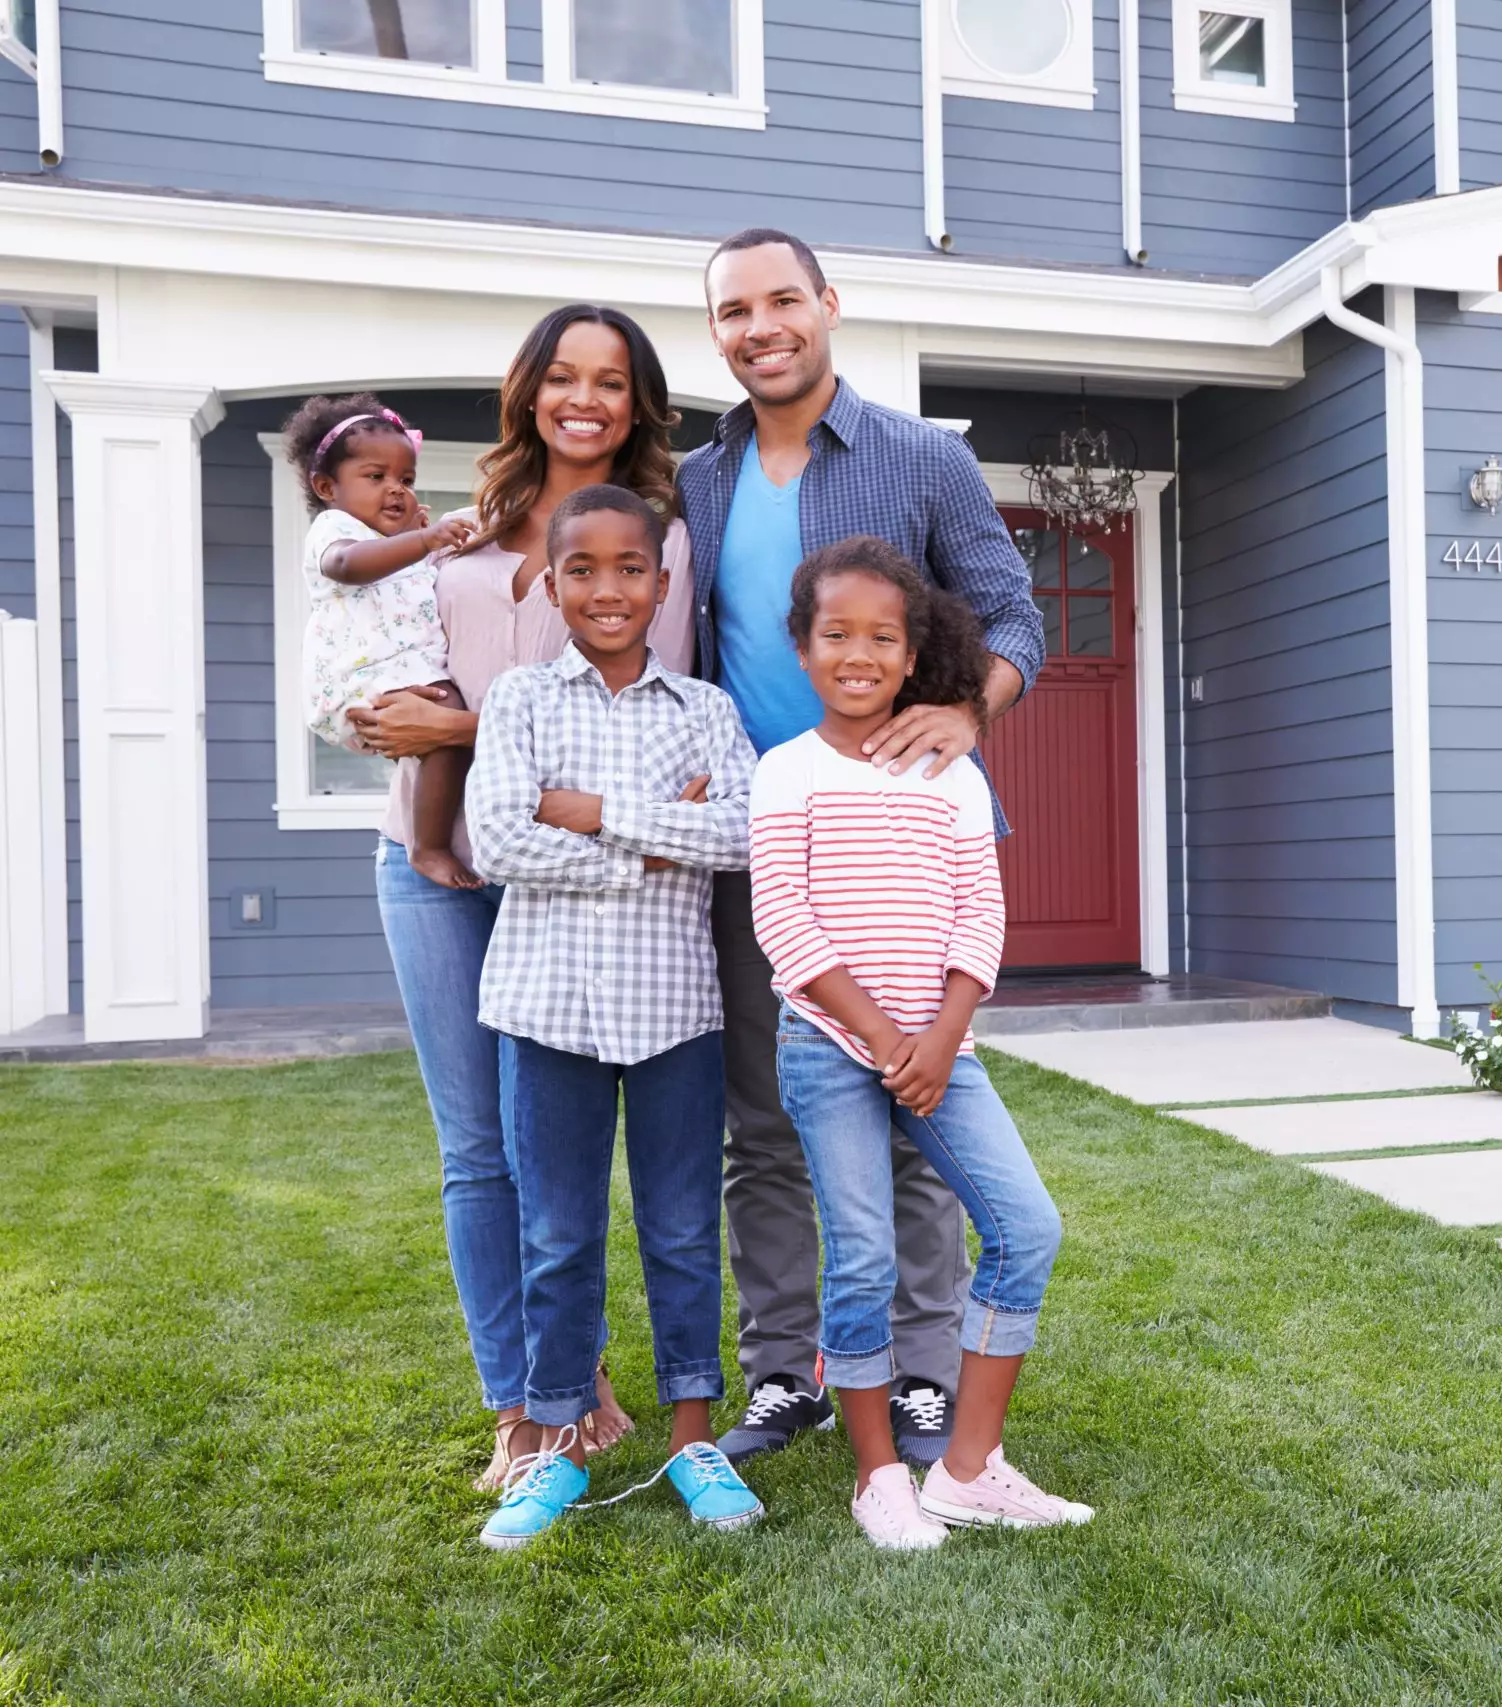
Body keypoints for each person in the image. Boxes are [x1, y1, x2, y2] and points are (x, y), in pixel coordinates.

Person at [678, 227, 1046, 1468]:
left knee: (918, 1113)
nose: (760, 325)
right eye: (734, 310)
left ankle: (925, 1375)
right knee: (767, 1123)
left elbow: (1012, 614)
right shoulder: (697, 479)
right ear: (716, 332)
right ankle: (786, 1373)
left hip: (910, 842)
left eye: (783, 299)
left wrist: (969, 706)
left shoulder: (921, 458)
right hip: (766, 845)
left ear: (828, 305)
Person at [350, 305, 694, 1491]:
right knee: (474, 1150)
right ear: (528, 391)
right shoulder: (453, 530)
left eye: (609, 380)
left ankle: (570, 1370)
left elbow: (646, 731)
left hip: (570, 882)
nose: (583, 398)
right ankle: (526, 1399)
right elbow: (385, 680)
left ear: (638, 402)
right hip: (432, 861)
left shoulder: (662, 543)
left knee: (562, 1149)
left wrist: (457, 723)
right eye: (561, 376)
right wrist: (388, 717)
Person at [752, 539, 1087, 1548]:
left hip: (943, 1048)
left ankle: (968, 1469)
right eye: (835, 634)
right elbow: (786, 925)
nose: (858, 653)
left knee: (1025, 1230)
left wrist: (941, 1039)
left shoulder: (954, 776)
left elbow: (978, 919)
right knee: (861, 1260)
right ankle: (877, 1476)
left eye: (882, 637)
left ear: (912, 654)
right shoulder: (785, 773)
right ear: (802, 650)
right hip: (828, 1047)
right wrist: (886, 1037)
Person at [467, 484, 764, 1549]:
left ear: (662, 580)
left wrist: (590, 817)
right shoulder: (517, 702)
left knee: (684, 1229)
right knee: (557, 1233)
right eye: (581, 570)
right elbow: (498, 840)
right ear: (552, 584)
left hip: (675, 1009)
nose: (606, 589)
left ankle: (694, 1438)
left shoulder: (707, 713)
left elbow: (739, 835)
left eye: (629, 569)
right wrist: (650, 843)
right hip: (546, 1010)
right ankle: (554, 1442)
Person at [285, 395, 478, 889]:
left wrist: (414, 540)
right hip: (363, 676)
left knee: (445, 730)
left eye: (406, 481)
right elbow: (348, 566)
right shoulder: (335, 530)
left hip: (401, 670)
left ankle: (434, 836)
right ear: (328, 487)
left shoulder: (396, 542)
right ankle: (427, 847)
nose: (395, 490)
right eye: (376, 478)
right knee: (446, 725)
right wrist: (424, 539)